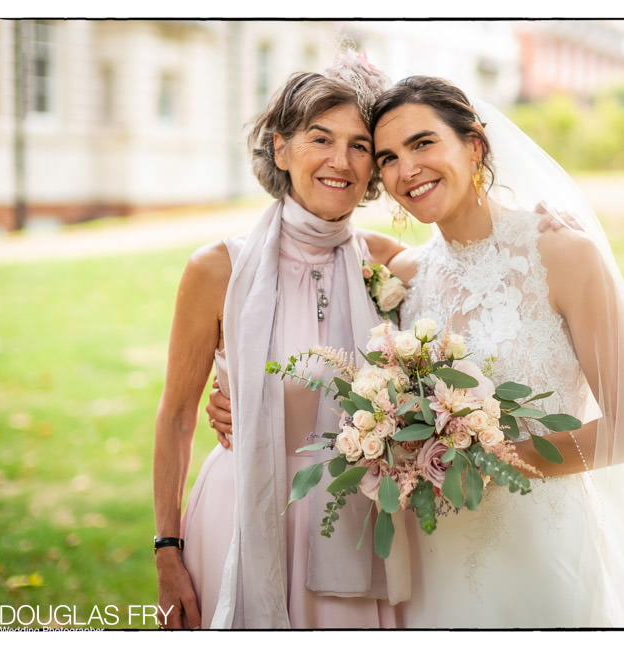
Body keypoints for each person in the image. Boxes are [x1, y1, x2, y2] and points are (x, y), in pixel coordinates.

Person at [363, 75, 624, 628]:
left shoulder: (562, 255)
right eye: (387, 157)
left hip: (543, 549)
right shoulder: (402, 278)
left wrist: (486, 459)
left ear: (475, 145)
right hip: (435, 554)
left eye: (422, 143)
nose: (405, 169)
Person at [152, 57, 413, 629]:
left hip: (355, 525)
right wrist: (166, 551)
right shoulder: (217, 269)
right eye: (320, 138)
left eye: (360, 145)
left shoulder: (392, 264)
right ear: (280, 147)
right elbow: (175, 416)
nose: (339, 162)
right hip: (242, 510)